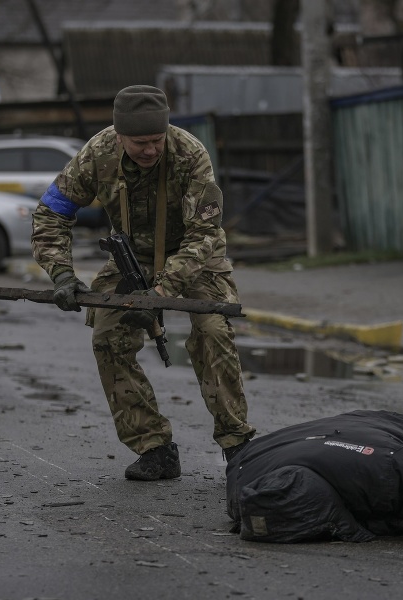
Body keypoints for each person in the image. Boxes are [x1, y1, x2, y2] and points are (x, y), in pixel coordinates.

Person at [31, 84, 256, 481]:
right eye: (139, 143)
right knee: (107, 337)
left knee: (212, 331)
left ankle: (237, 444)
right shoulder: (95, 155)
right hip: (129, 256)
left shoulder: (190, 154)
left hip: (194, 256)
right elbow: (51, 214)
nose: (150, 150)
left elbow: (204, 233)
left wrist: (161, 293)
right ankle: (154, 447)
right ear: (119, 136)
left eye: (156, 140)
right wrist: (62, 274)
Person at [225, 410, 403, 543]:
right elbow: (335, 521)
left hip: (261, 458)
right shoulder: (292, 487)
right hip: (258, 465)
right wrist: (365, 530)